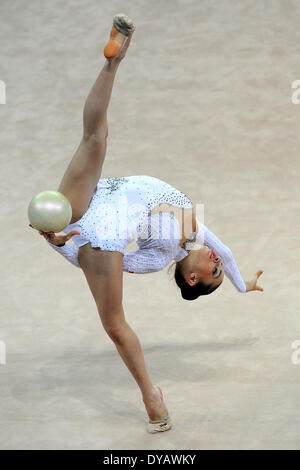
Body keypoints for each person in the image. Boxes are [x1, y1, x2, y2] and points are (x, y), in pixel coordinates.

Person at [29, 14, 264, 433]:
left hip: (97, 221)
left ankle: (152, 398)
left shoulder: (158, 259)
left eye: (209, 274)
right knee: (94, 137)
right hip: (101, 194)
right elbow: (226, 255)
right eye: (215, 270)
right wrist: (241, 284)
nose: (213, 261)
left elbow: (100, 259)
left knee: (114, 324)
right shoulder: (199, 233)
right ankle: (113, 60)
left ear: (190, 279)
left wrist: (59, 241)